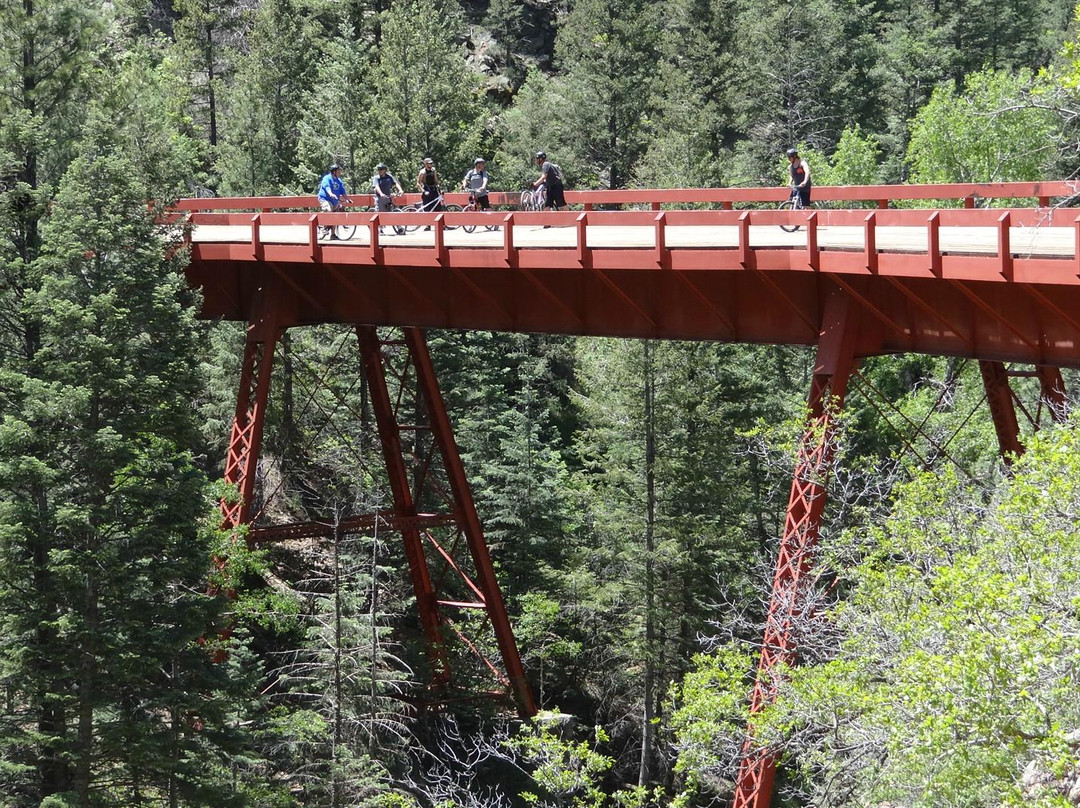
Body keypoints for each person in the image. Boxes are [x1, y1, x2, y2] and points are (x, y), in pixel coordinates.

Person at [317, 163, 352, 240]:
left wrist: (347, 199)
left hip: (334, 200)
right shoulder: (327, 178)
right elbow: (327, 187)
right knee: (329, 210)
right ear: (334, 172)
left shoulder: (339, 181)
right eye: (338, 171)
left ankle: (333, 235)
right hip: (325, 198)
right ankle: (323, 227)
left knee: (335, 216)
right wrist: (331, 194)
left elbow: (342, 191)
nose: (340, 173)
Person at [372, 163, 404, 234]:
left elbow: (395, 184)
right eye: (378, 169)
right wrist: (381, 194)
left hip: (388, 197)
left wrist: (400, 190)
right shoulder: (376, 178)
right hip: (380, 197)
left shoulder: (389, 177)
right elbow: (376, 186)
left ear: (385, 170)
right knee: (380, 213)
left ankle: (399, 227)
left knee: (393, 212)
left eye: (381, 169)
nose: (379, 171)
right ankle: (379, 229)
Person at [532, 151, 566, 219]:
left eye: (536, 158)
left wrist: (535, 184)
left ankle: (570, 218)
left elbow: (544, 176)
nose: (535, 160)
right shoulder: (545, 165)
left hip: (557, 186)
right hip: (550, 186)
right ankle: (547, 222)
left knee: (561, 204)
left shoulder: (545, 164)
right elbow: (546, 178)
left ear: (540, 159)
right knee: (547, 204)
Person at [416, 157, 445, 230]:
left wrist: (439, 189)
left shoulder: (433, 170)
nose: (431, 165)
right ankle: (427, 225)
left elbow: (436, 181)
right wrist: (423, 191)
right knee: (427, 208)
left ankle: (440, 225)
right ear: (425, 164)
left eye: (431, 163)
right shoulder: (422, 172)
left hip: (434, 189)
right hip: (427, 190)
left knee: (437, 207)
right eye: (429, 163)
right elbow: (418, 183)